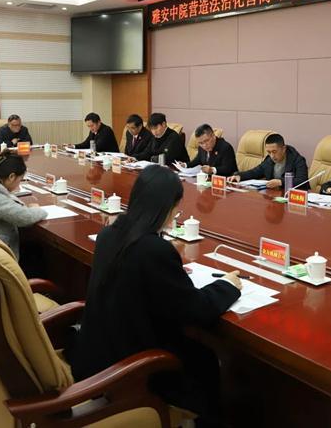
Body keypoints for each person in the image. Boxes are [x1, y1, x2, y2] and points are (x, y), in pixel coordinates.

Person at [69, 166, 241, 426]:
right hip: (133, 367)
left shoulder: (108, 234)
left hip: (95, 354)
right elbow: (196, 310)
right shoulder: (154, 250)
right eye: (175, 209)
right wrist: (228, 285)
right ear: (166, 208)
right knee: (204, 357)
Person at [228, 133, 309, 189]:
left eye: (274, 151)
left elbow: (302, 181)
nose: (272, 156)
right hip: (274, 196)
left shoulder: (297, 160)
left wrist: (280, 182)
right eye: (269, 152)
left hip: (293, 199)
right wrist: (239, 176)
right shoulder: (269, 160)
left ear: (284, 149)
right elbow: (255, 172)